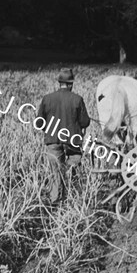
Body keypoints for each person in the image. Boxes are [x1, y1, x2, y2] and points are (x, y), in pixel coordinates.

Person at [35, 68, 90, 202]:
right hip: (72, 141)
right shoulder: (77, 99)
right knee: (72, 169)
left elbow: (39, 123)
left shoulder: (47, 99)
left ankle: (55, 200)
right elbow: (85, 122)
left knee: (55, 172)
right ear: (71, 83)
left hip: (53, 140)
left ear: (59, 83)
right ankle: (71, 199)